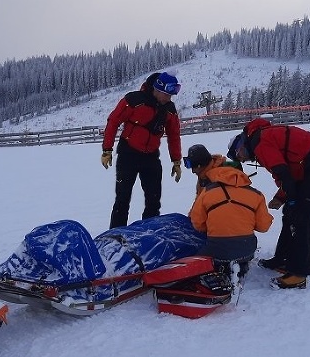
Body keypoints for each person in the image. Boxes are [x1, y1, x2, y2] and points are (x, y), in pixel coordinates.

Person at [227, 118, 310, 290]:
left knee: (303, 217)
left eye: (239, 156)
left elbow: (283, 172)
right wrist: (282, 198)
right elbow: (289, 172)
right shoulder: (260, 139)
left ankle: (298, 274)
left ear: (240, 146)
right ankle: (283, 259)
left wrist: (291, 197)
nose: (242, 160)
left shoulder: (259, 143)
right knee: (291, 213)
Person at [101, 72, 183, 229]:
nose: (169, 98)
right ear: (157, 89)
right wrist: (107, 149)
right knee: (122, 199)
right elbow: (113, 121)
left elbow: (174, 135)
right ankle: (116, 234)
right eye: (167, 95)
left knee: (153, 200)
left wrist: (176, 160)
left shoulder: (169, 110)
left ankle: (149, 233)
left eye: (171, 95)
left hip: (151, 157)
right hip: (128, 154)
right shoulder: (134, 100)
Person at [185, 144, 273, 275]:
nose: (193, 171)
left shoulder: (207, 191)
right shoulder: (256, 195)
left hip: (217, 248)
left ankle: (222, 265)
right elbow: (263, 227)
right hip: (248, 247)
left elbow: (198, 223)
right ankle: (240, 263)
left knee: (196, 255)